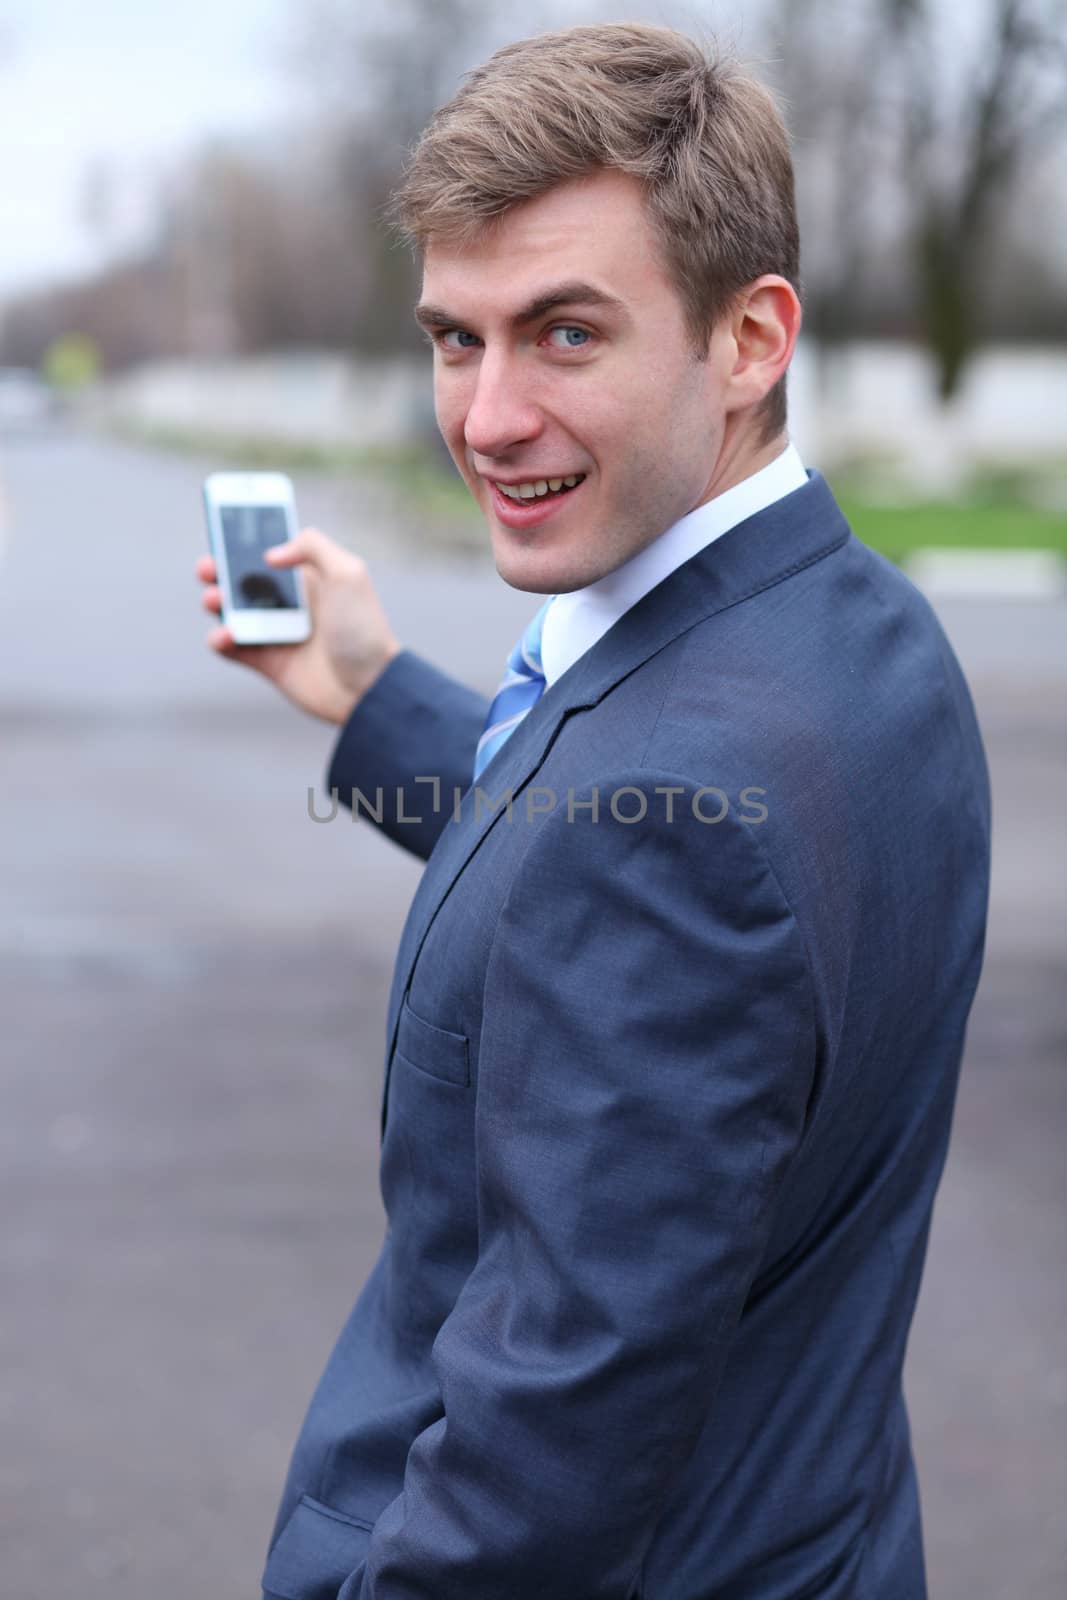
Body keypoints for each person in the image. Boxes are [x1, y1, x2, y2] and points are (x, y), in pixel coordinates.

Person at [197, 23, 990, 1600]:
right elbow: (648, 858)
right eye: (454, 337)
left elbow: (543, 1461)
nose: (488, 418)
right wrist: (373, 699)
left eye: (563, 335)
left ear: (751, 338)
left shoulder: (674, 818)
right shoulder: (860, 629)